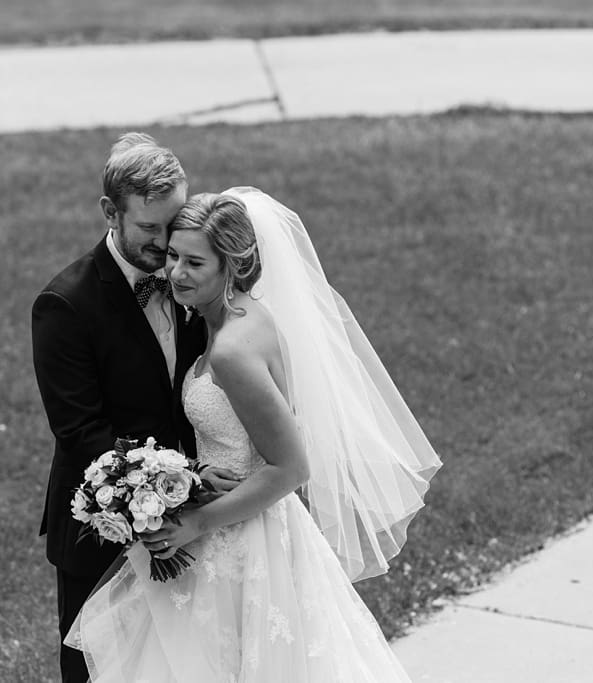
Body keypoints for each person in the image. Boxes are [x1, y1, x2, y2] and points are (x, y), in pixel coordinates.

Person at [66, 188, 442, 681]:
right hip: (249, 520)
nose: (176, 272)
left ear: (232, 267)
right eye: (173, 256)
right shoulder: (242, 316)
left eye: (194, 262)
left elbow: (290, 467)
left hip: (241, 536)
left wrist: (197, 524)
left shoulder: (232, 352)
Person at [31, 133, 232, 683]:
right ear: (109, 212)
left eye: (174, 224)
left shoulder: (193, 279)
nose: (167, 245)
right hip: (103, 527)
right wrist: (182, 479)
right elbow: (81, 430)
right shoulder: (65, 304)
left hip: (192, 528)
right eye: (150, 229)